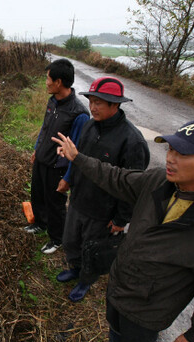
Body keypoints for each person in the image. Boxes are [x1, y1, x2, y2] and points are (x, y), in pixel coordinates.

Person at [52, 118, 194, 342]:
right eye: (171, 149)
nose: (170, 158)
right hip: (121, 285)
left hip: (149, 309)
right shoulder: (158, 182)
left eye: (183, 153)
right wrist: (78, 158)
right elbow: (115, 177)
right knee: (115, 327)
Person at [55, 76, 150, 302]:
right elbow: (79, 158)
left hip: (102, 210)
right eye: (91, 101)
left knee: (93, 249)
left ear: (115, 105)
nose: (93, 107)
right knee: (71, 241)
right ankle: (75, 269)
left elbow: (132, 187)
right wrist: (69, 178)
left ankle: (86, 280)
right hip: (79, 200)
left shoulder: (132, 141)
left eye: (100, 102)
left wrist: (121, 218)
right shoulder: (90, 126)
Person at [24, 58, 89, 254]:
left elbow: (78, 151)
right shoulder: (53, 102)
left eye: (48, 78)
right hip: (42, 159)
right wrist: (37, 149)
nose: (46, 82)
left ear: (58, 82)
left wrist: (68, 178)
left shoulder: (79, 114)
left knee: (55, 204)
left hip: (58, 167)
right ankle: (41, 224)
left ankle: (57, 238)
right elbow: (45, 129)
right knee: (38, 195)